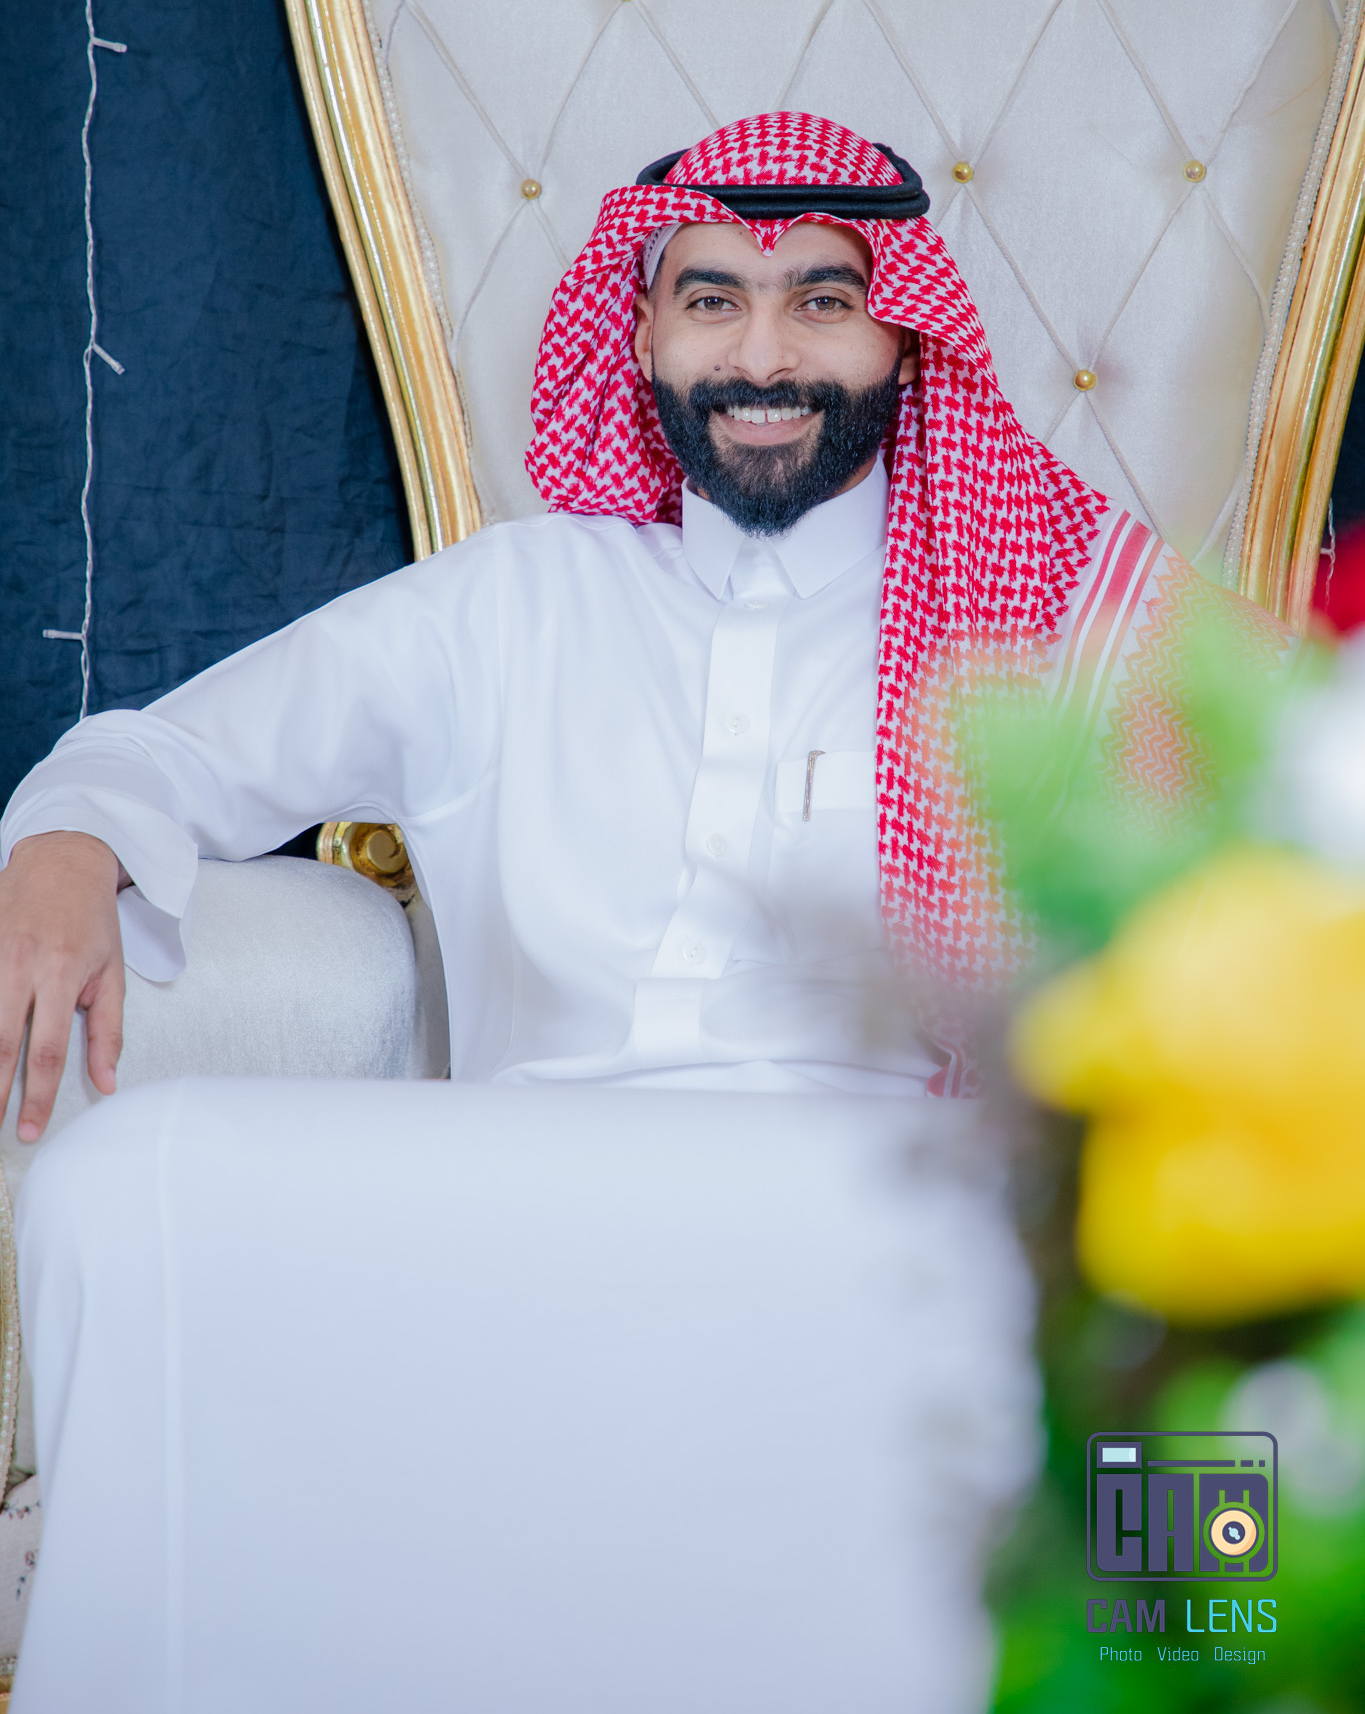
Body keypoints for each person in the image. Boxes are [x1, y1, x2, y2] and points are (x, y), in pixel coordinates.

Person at [0, 113, 1283, 1131]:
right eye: (713, 301)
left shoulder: (1044, 624)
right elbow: (165, 755)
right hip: (531, 1214)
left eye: (823, 303)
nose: (763, 359)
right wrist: (62, 850)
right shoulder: (515, 604)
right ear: (643, 336)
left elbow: (1299, 813)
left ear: (906, 341)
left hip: (888, 1232)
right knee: (136, 1188)